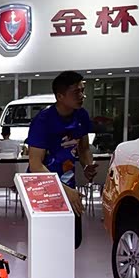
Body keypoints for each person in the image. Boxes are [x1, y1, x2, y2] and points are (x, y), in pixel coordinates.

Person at [27, 70, 96, 249]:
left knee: (73, 240)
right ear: (60, 96)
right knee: (48, 243)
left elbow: (84, 148)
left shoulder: (81, 115)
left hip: (68, 185)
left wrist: (87, 165)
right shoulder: (43, 121)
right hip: (43, 189)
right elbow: (35, 165)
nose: (81, 96)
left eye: (82, 91)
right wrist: (64, 191)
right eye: (76, 92)